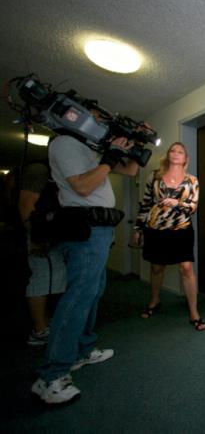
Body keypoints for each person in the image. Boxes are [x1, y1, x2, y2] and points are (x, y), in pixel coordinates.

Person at [31, 130, 141, 404]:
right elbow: (81, 187)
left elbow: (131, 170)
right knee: (78, 297)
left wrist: (134, 146)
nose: (99, 122)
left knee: (93, 292)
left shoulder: (89, 149)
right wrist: (108, 158)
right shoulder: (64, 143)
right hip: (85, 228)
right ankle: (51, 377)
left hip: (100, 229)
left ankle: (82, 351)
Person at [131, 142, 205, 331]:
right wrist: (138, 228)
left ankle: (194, 312)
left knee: (187, 268)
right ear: (168, 155)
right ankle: (154, 301)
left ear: (185, 158)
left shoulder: (192, 180)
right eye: (172, 150)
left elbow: (193, 207)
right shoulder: (154, 177)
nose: (175, 153)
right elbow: (146, 204)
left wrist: (178, 203)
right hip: (156, 229)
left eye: (180, 151)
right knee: (157, 268)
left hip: (181, 229)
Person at [18, 162, 67, 346]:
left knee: (54, 280)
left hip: (53, 235)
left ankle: (45, 323)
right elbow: (25, 204)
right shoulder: (39, 170)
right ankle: (39, 330)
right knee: (41, 280)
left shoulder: (57, 171)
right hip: (40, 235)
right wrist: (35, 236)